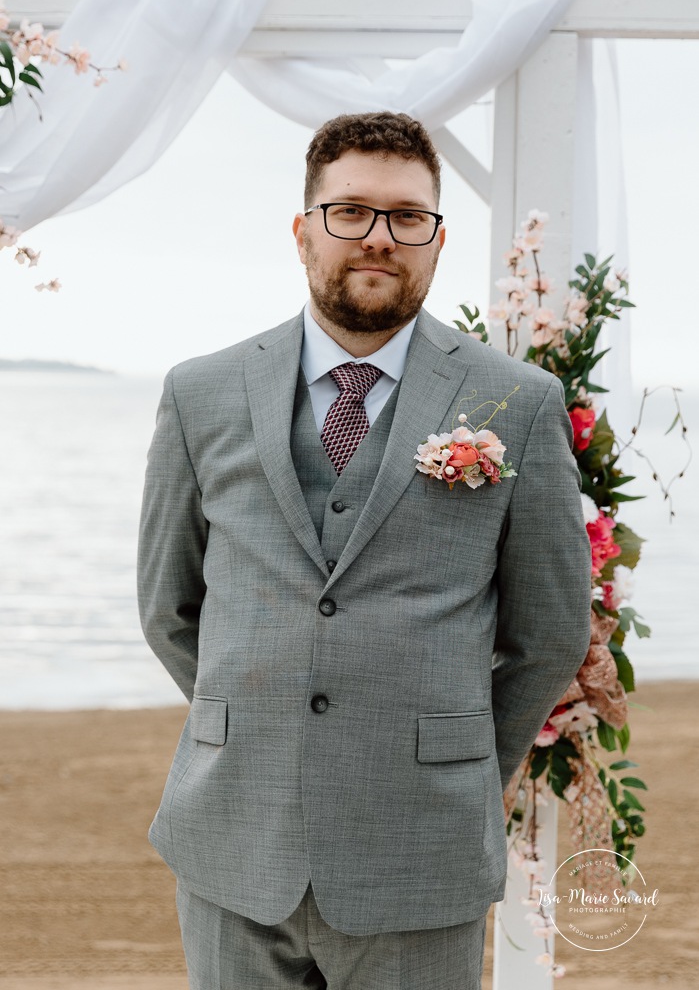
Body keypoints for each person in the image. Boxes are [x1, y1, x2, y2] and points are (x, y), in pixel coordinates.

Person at [138, 111, 591, 990]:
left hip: (422, 845)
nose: (378, 238)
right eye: (349, 212)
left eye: (405, 217)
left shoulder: (518, 404)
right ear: (303, 230)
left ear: (436, 238)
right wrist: (250, 726)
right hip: (235, 838)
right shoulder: (200, 393)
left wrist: (455, 759)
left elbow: (547, 632)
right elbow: (169, 609)